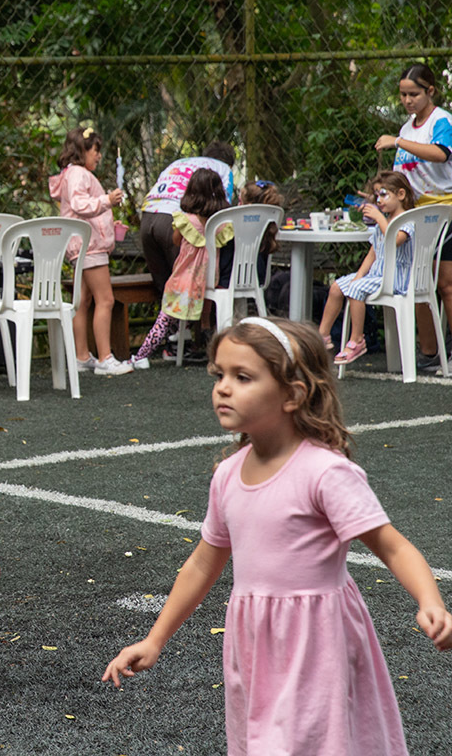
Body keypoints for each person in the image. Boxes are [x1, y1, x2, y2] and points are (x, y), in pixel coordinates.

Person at [103, 317, 452, 755]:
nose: (223, 388)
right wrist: (155, 639)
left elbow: (392, 545)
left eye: (242, 377)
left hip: (317, 639)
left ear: (292, 394)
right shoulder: (227, 475)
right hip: (254, 642)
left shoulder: (325, 473)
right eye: (219, 375)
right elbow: (203, 562)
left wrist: (431, 602)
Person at [373, 63, 452, 370]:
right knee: (416, 280)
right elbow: (400, 175)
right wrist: (381, 194)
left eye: (414, 94)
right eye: (403, 95)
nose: (407, 101)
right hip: (416, 213)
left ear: (430, 91)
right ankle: (430, 353)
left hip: (443, 210)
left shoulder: (441, 120)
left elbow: (441, 153)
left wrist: (398, 142)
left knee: (446, 283)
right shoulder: (407, 127)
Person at [48, 126, 133, 375]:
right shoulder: (78, 174)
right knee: (105, 299)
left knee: (83, 301)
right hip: (90, 247)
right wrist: (108, 200)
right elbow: (79, 204)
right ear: (81, 150)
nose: (99, 156)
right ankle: (106, 358)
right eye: (95, 151)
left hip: (83, 246)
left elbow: (80, 210)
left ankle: (81, 356)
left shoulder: (73, 174)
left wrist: (109, 221)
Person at [128, 169, 231, 369]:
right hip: (210, 279)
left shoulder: (187, 220)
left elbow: (176, 240)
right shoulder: (220, 224)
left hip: (186, 280)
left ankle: (141, 355)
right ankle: (215, 355)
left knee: (165, 317)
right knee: (206, 320)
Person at [317, 171, 415, 365]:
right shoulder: (384, 222)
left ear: (401, 195)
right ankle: (322, 337)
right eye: (377, 195)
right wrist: (359, 276)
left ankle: (357, 340)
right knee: (337, 287)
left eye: (384, 194)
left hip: (396, 278)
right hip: (377, 276)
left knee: (355, 290)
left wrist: (379, 218)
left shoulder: (407, 221)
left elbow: (394, 240)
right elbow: (373, 253)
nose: (379, 200)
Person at [140, 141, 237, 297]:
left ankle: (165, 321)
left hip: (148, 215)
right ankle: (198, 322)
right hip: (174, 220)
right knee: (186, 288)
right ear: (230, 164)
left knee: (165, 288)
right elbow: (223, 210)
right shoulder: (223, 169)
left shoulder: (179, 163)